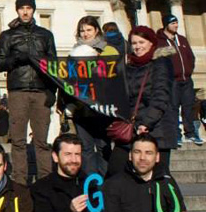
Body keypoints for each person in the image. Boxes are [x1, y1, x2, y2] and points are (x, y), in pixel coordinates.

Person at [0, 0, 57, 184]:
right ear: (17, 10)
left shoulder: (45, 35)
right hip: (18, 91)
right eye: (22, 8)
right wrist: (16, 59)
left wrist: (51, 91)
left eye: (29, 8)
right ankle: (20, 181)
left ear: (33, 10)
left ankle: (45, 181)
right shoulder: (8, 35)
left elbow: (54, 66)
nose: (25, 12)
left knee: (41, 141)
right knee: (19, 140)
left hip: (40, 91)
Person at [107, 26, 176, 174]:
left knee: (159, 178)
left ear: (151, 43)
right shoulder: (129, 65)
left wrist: (146, 122)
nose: (137, 47)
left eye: (141, 42)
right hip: (132, 127)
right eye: (134, 43)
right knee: (115, 170)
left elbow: (161, 96)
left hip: (157, 129)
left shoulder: (161, 63)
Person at [66, 16, 119, 176]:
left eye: (89, 30)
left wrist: (96, 63)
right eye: (82, 30)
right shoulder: (73, 52)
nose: (85, 34)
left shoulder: (108, 50)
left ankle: (105, 180)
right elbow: (67, 79)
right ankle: (91, 183)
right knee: (86, 147)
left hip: (102, 107)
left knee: (103, 145)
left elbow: (115, 75)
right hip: (81, 107)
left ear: (96, 30)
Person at [156, 14, 202, 145]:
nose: (176, 25)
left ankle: (191, 133)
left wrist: (188, 70)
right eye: (173, 23)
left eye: (176, 23)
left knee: (189, 107)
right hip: (172, 80)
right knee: (173, 108)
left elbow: (190, 57)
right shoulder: (160, 41)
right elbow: (159, 60)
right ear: (166, 25)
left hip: (186, 79)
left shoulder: (182, 39)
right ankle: (175, 135)